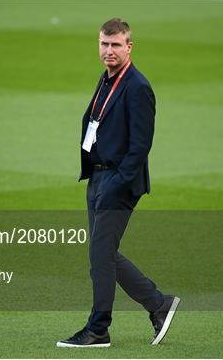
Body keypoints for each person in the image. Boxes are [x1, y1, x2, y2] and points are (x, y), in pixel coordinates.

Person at [56, 18, 180, 348]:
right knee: (104, 253)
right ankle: (159, 304)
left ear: (129, 46)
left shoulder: (137, 86)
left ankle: (98, 328)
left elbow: (141, 145)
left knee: (100, 255)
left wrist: (116, 183)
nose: (108, 51)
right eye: (103, 44)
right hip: (98, 176)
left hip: (118, 181)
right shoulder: (107, 79)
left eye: (115, 45)